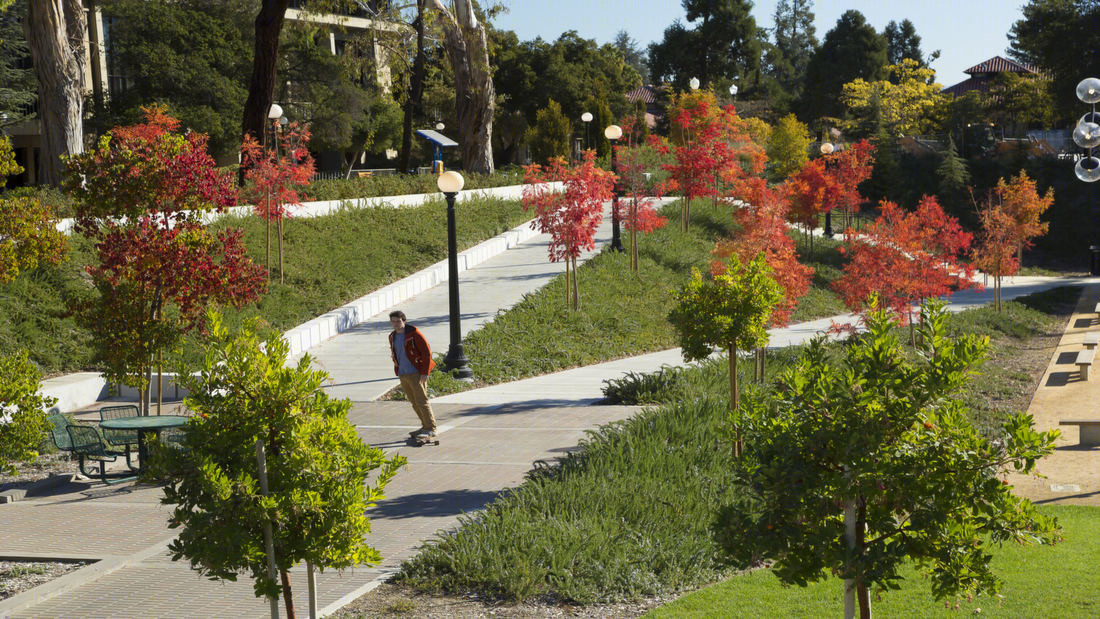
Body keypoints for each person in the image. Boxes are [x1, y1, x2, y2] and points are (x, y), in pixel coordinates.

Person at [388, 310, 437, 440]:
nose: (396, 324)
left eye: (398, 321)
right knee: (414, 402)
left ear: (404, 321)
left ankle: (431, 428)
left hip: (415, 373)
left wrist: (424, 372)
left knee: (422, 401)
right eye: (393, 321)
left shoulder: (414, 334)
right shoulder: (392, 336)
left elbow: (426, 353)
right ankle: (425, 426)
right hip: (403, 374)